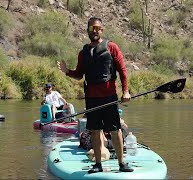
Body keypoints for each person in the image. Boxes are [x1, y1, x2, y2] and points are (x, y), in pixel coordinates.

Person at [57, 17, 133, 173]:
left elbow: (123, 71)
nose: (95, 31)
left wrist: (125, 91)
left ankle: (121, 163)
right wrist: (67, 72)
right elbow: (79, 75)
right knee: (95, 131)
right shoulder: (83, 53)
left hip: (109, 97)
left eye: (98, 28)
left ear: (102, 30)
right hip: (92, 99)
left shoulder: (112, 47)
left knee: (115, 130)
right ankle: (98, 164)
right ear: (88, 31)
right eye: (92, 28)